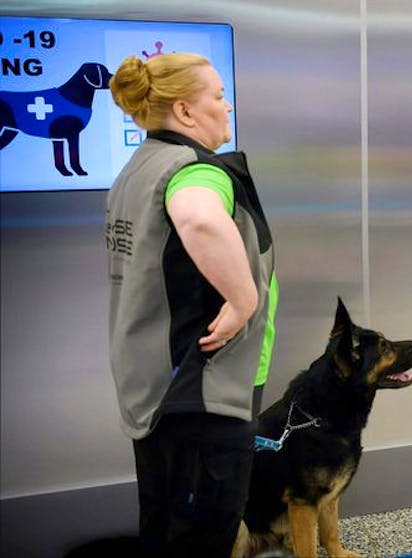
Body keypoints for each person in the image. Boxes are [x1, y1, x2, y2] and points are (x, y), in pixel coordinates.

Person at [105, 53, 279, 557]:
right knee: (204, 533)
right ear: (184, 112)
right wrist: (243, 299)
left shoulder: (140, 169)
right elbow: (200, 220)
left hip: (156, 385)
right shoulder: (193, 172)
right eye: (219, 96)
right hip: (201, 390)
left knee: (164, 521)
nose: (227, 107)